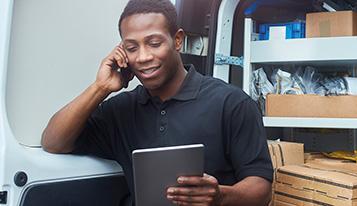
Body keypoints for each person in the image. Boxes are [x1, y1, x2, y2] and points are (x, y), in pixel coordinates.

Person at [40, 0, 273, 205]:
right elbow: (54, 141)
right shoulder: (120, 110)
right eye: (132, 48)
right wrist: (100, 87)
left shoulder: (231, 103)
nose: (143, 57)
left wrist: (221, 196)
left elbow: (261, 189)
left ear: (178, 40)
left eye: (154, 43)